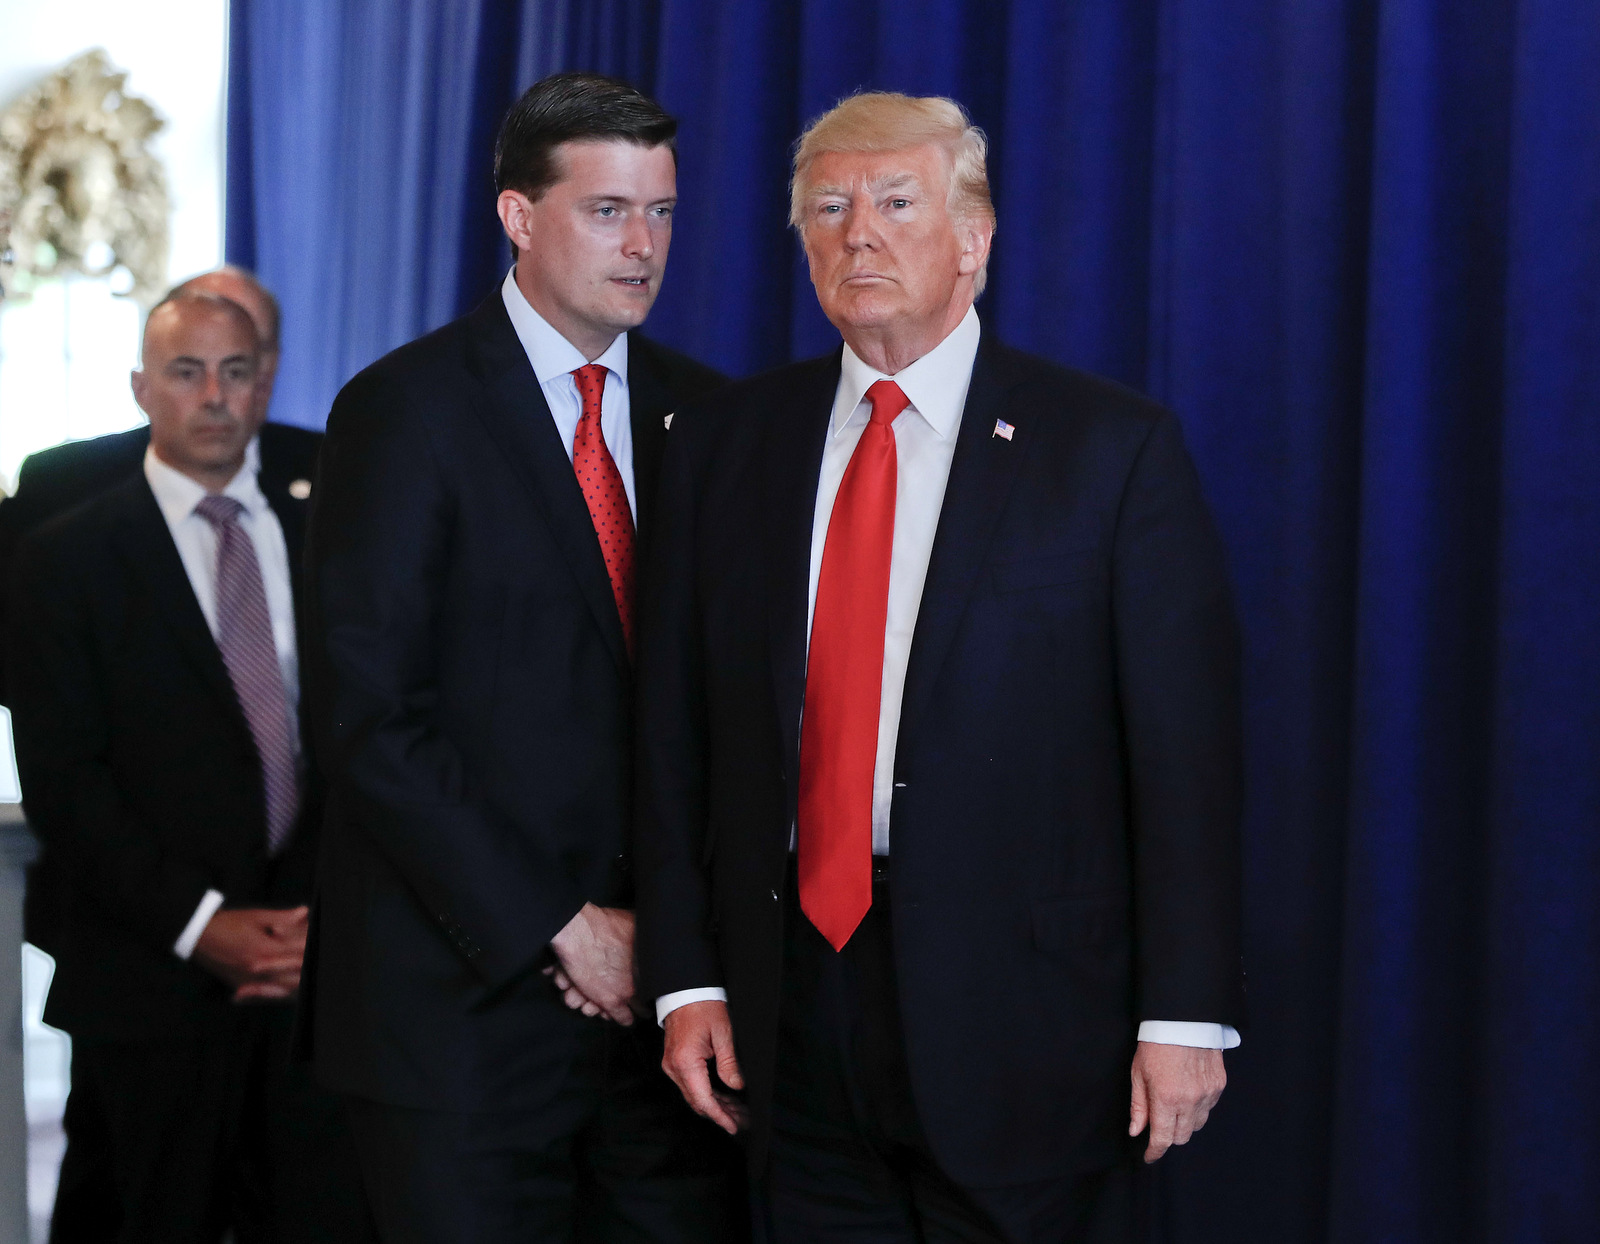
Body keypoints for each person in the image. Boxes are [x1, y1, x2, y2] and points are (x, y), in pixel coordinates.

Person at [635, 92, 1246, 1243]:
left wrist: (1187, 1011)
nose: (857, 231)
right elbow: (673, 736)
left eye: (896, 202)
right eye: (828, 206)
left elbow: (1185, 757)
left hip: (1034, 1027)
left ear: (974, 237)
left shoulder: (1109, 451)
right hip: (790, 1018)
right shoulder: (725, 444)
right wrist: (684, 977)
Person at [300, 72, 744, 1243]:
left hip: (668, 1022)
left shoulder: (708, 415)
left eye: (660, 212)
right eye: (608, 210)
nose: (643, 244)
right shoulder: (402, 411)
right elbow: (367, 717)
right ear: (517, 216)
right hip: (460, 1020)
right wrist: (565, 922)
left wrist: (677, 944)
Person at [7, 290, 373, 1242]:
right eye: (186, 371)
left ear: (265, 385)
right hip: (148, 989)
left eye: (235, 370)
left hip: (318, 981)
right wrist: (203, 925)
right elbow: (66, 782)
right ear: (141, 388)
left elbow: (371, 735)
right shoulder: (63, 560)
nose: (214, 395)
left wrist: (314, 922)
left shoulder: (339, 526)